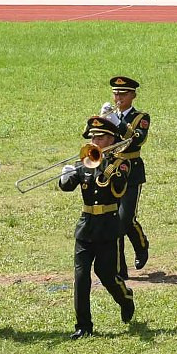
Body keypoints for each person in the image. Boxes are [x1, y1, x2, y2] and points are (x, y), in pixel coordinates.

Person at [59, 115, 135, 338]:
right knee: (81, 276)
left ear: (111, 139)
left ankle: (125, 298)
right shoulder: (83, 161)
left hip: (108, 226)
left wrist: (101, 163)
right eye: (92, 137)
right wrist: (65, 177)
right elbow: (68, 187)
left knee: (106, 274)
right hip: (86, 225)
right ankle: (83, 325)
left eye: (100, 137)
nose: (94, 141)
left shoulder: (120, 163)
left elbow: (118, 189)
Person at [103, 76, 153, 273]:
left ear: (133, 95)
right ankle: (120, 267)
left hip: (131, 170)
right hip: (111, 168)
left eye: (123, 93)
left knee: (126, 219)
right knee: (114, 219)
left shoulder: (141, 118)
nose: (118, 97)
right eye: (116, 93)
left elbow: (136, 140)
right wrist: (101, 121)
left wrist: (118, 122)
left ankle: (141, 246)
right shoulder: (109, 115)